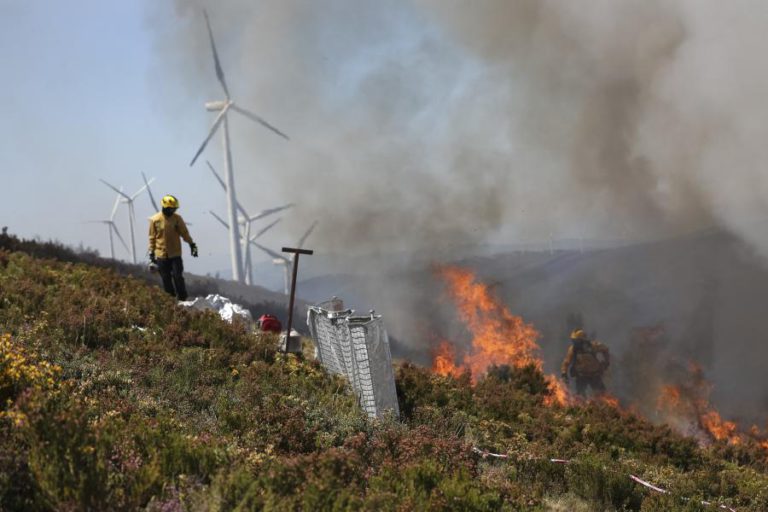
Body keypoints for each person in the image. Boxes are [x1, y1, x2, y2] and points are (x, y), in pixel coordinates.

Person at [148, 195, 198, 301]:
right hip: (161, 255)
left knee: (177, 276)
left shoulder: (177, 219)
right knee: (166, 279)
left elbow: (184, 233)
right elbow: (152, 238)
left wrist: (192, 244)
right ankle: (171, 301)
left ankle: (183, 298)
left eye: (175, 208)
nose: (174, 210)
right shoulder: (154, 220)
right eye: (172, 208)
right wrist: (151, 254)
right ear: (165, 207)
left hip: (175, 254)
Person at [560, 328, 610, 397]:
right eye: (574, 341)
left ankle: (604, 406)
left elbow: (605, 349)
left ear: (582, 340)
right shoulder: (573, 349)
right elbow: (566, 362)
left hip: (594, 375)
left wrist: (606, 361)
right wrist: (564, 373)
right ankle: (582, 406)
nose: (575, 343)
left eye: (576, 341)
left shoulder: (593, 346)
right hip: (581, 376)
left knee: (602, 395)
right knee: (580, 396)